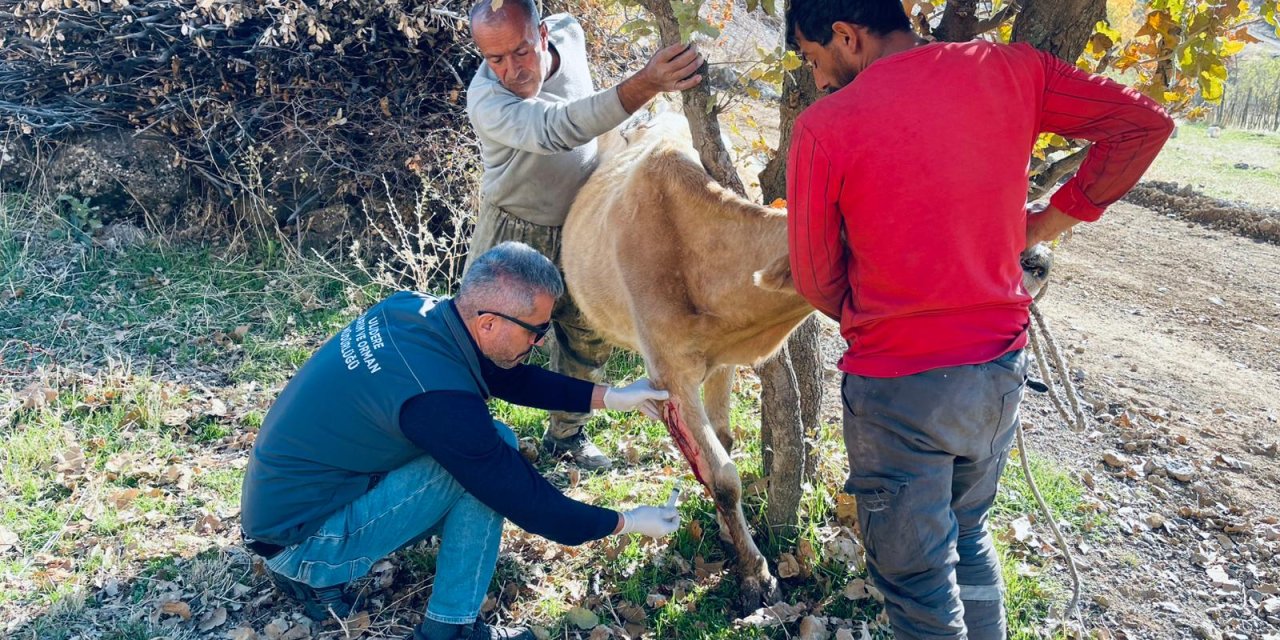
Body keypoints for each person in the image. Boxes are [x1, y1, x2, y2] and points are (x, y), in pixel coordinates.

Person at [784, 2, 1174, 638]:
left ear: (847, 37)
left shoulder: (825, 125)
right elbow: (1144, 123)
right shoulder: (1012, 69)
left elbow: (817, 276)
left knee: (919, 593)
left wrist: (876, 317)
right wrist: (1047, 221)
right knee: (968, 538)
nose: (821, 80)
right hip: (996, 372)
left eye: (815, 59)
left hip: (897, 386)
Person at [240, 242, 680, 640]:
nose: (539, 342)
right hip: (303, 542)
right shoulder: (438, 402)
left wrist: (613, 397)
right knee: (491, 460)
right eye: (535, 332)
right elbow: (528, 502)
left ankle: (329, 580)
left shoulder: (413, 310)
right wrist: (628, 521)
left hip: (286, 510)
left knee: (490, 446)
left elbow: (502, 373)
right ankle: (447, 631)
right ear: (488, 322)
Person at [464, 0, 704, 470]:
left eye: (521, 51)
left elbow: (584, 110)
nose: (511, 70)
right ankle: (467, 432)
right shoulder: (487, 99)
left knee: (588, 335)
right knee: (486, 342)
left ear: (545, 34)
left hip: (583, 221)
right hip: (515, 229)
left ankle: (567, 435)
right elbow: (560, 129)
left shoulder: (572, 34)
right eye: (495, 59)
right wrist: (647, 82)